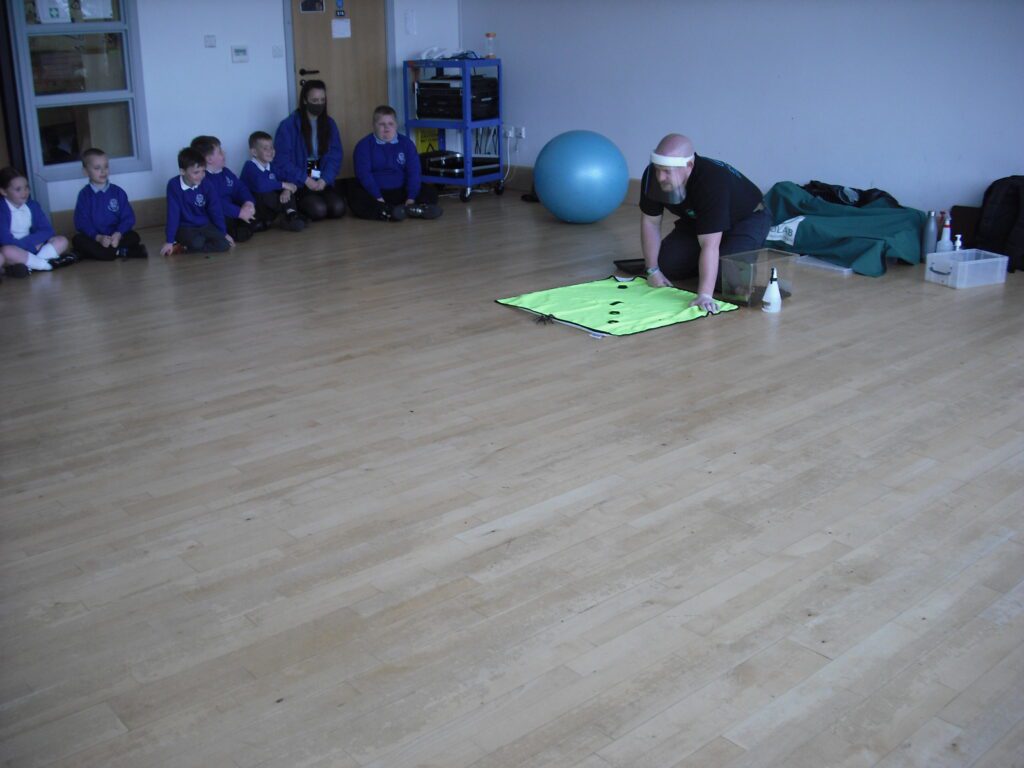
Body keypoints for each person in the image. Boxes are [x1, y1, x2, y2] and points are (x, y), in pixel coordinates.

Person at [640, 134, 770, 313]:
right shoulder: (652, 176)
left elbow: (710, 244)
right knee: (667, 265)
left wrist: (705, 295)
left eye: (667, 171)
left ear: (689, 166)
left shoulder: (712, 181)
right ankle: (711, 262)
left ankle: (724, 259)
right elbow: (650, 222)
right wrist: (652, 270)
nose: (660, 177)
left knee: (728, 282)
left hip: (745, 219)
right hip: (698, 220)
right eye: (657, 169)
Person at [348, 105, 441, 222]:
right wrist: (377, 196)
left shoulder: (406, 144)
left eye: (390, 124)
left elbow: (414, 172)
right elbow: (363, 174)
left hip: (401, 191)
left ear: (396, 125)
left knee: (429, 191)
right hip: (376, 192)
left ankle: (414, 208)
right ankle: (389, 212)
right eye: (382, 124)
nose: (387, 128)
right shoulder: (363, 145)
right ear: (374, 125)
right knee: (355, 196)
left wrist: (411, 197)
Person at [274, 79, 346, 221]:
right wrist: (305, 179)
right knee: (319, 210)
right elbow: (281, 160)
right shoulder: (288, 126)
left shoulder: (330, 124)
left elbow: (335, 156)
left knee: (338, 208)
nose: (319, 104)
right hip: (298, 179)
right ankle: (297, 203)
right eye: (314, 100)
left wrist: (324, 180)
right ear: (305, 100)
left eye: (322, 100)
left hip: (320, 174)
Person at [72, 148, 147, 260]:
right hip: (96, 238)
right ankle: (121, 252)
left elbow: (128, 218)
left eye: (106, 166)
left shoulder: (118, 192)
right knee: (77, 240)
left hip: (116, 237)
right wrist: (98, 237)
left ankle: (106, 253)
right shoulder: (84, 195)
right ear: (86, 172)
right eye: (97, 168)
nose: (103, 171)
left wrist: (118, 234)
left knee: (134, 236)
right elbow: (81, 222)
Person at [159, 148, 232, 256]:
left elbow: (215, 210)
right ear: (182, 171)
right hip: (185, 227)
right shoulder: (173, 185)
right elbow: (173, 214)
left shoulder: (207, 184)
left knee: (224, 245)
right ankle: (180, 245)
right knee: (197, 242)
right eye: (196, 172)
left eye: (203, 171)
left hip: (204, 225)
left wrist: (223, 233)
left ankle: (186, 248)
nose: (201, 175)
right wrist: (169, 241)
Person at [0, 166, 73, 274]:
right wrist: (30, 246)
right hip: (16, 249)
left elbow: (48, 230)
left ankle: (32, 266)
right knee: (7, 251)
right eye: (18, 189)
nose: (24, 192)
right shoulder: (1, 210)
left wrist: (32, 245)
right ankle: (46, 265)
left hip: (34, 247)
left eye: (26, 187)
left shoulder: (33, 206)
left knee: (62, 241)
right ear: (3, 191)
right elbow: (5, 240)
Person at [190, 135, 258, 242]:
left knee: (253, 213)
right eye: (220, 152)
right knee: (220, 220)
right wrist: (239, 212)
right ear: (209, 159)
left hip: (232, 212)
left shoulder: (226, 172)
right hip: (217, 215)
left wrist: (248, 203)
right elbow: (215, 203)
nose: (224, 153)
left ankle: (238, 231)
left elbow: (240, 188)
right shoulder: (202, 179)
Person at [239, 131, 305, 232]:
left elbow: (290, 177)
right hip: (256, 209)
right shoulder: (249, 167)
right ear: (254, 152)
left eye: (271, 147)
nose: (270, 151)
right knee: (265, 192)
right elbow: (260, 185)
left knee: (286, 189)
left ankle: (291, 215)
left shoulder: (271, 166)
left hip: (271, 208)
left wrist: (287, 190)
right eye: (265, 148)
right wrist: (284, 185)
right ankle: (287, 216)